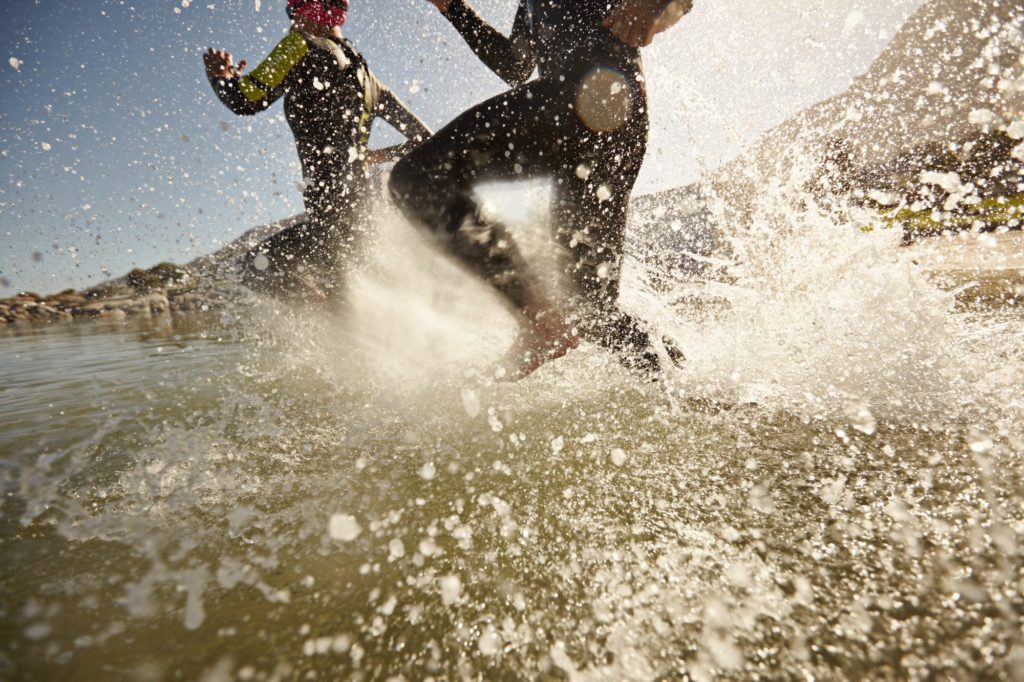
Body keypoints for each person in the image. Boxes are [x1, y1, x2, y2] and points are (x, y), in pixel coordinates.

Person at [389, 0, 692, 380]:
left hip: (599, 96)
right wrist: (453, 8)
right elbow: (516, 66)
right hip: (586, 119)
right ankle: (686, 387)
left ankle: (540, 321)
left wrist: (651, 7)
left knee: (418, 178)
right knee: (592, 311)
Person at [204, 0, 432, 299]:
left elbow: (244, 101)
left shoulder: (300, 45)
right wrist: (370, 155)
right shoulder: (369, 80)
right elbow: (424, 140)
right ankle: (354, 333)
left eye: (293, 11)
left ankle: (335, 324)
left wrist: (220, 76)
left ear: (308, 11)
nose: (291, 21)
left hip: (330, 218)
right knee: (348, 298)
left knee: (254, 269)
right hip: (366, 217)